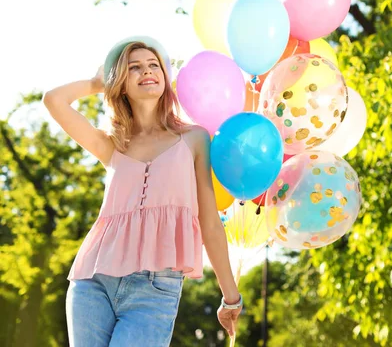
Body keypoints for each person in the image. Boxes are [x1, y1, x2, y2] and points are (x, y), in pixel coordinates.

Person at [43, 36, 243, 346]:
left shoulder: (194, 139)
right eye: (134, 68)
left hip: (155, 289)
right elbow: (53, 100)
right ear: (121, 84)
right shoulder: (113, 144)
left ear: (165, 76)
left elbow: (210, 223)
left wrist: (231, 297)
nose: (146, 71)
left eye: (154, 65)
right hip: (92, 282)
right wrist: (98, 82)